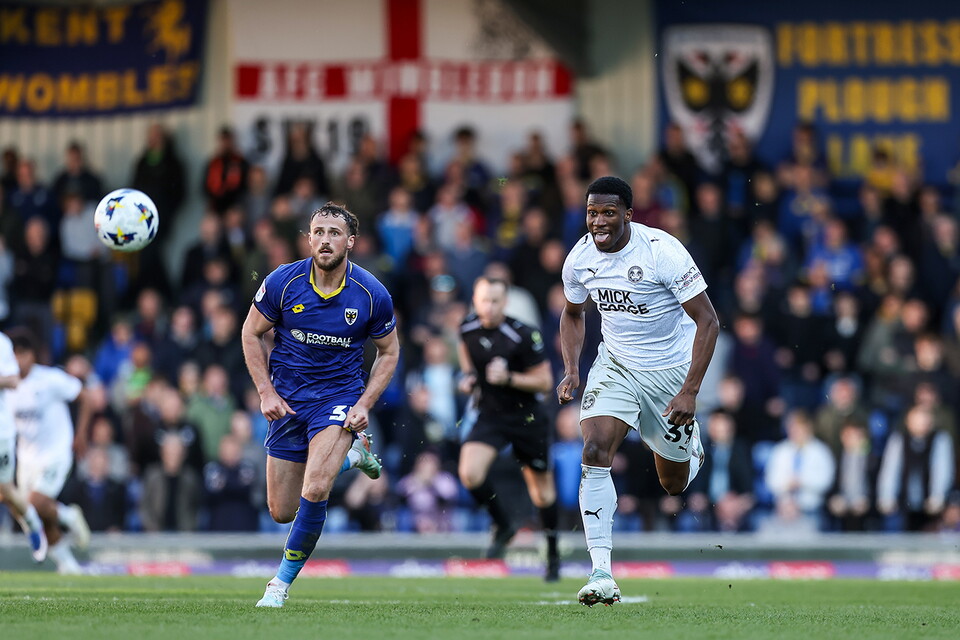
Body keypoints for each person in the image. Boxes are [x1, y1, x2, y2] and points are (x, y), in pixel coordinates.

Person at [557, 176, 719, 606]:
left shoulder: (661, 252)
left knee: (672, 485)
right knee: (593, 451)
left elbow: (709, 321)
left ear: (629, 214)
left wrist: (690, 391)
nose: (599, 221)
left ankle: (692, 448)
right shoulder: (579, 259)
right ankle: (601, 572)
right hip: (617, 365)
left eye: (609, 212)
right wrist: (573, 368)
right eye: (592, 212)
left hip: (670, 374)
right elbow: (573, 314)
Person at [241, 202, 399, 608]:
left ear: (351, 241)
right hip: (289, 401)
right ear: (308, 238)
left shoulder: (371, 293)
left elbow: (389, 352)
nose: (325, 239)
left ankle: (278, 585)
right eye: (318, 232)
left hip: (339, 399)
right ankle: (354, 457)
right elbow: (250, 333)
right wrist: (266, 393)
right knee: (281, 510)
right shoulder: (282, 281)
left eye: (334, 232)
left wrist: (365, 402)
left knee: (316, 485)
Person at [458, 276, 559, 580]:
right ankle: (503, 524)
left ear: (505, 302)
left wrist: (510, 379)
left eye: (495, 300)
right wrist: (469, 380)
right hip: (491, 414)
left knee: (541, 493)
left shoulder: (523, 334)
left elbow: (544, 383)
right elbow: (468, 365)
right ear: (475, 300)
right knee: (469, 473)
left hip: (526, 417)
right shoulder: (467, 328)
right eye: (484, 299)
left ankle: (552, 556)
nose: (489, 306)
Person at [8, 329, 90, 574]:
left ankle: (68, 516)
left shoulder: (51, 379)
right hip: (26, 458)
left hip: (56, 452)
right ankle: (68, 564)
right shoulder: (7, 386)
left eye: (23, 354)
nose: (18, 361)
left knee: (35, 505)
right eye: (14, 355)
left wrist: (81, 433)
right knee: (32, 516)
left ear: (32, 355)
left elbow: (87, 398)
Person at [0, 331, 47, 561]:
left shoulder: (1, 342)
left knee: (6, 490)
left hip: (1, 431)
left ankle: (32, 522)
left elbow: (13, 380)